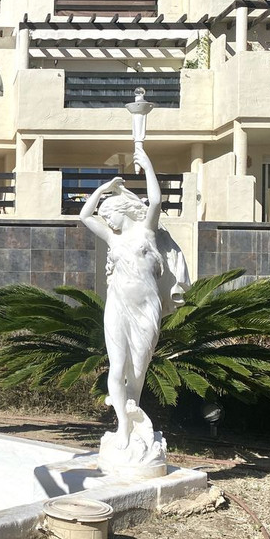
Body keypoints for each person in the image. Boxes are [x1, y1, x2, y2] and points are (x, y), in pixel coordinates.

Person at [78, 143, 187, 470]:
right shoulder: (112, 239)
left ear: (123, 210)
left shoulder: (146, 232)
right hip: (117, 304)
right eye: (105, 216)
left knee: (137, 371)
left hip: (145, 307)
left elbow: (156, 200)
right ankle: (123, 426)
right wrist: (103, 189)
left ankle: (134, 412)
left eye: (109, 213)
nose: (107, 219)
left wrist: (148, 164)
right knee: (117, 367)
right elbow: (84, 215)